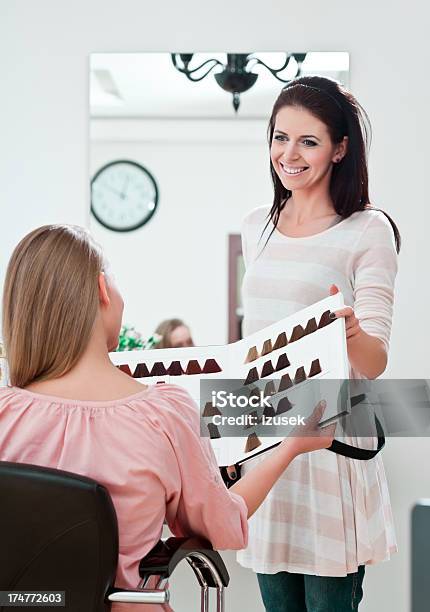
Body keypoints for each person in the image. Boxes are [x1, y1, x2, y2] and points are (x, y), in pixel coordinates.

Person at [0, 224, 335, 612]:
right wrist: (291, 446)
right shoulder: (162, 413)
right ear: (101, 290)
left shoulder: (5, 412)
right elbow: (221, 526)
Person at [237, 76, 400, 611]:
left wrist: (349, 333)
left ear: (340, 148)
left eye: (309, 141)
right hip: (265, 450)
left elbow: (374, 362)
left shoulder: (367, 229)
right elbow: (252, 348)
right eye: (280, 138)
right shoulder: (256, 225)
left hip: (329, 450)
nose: (290, 154)